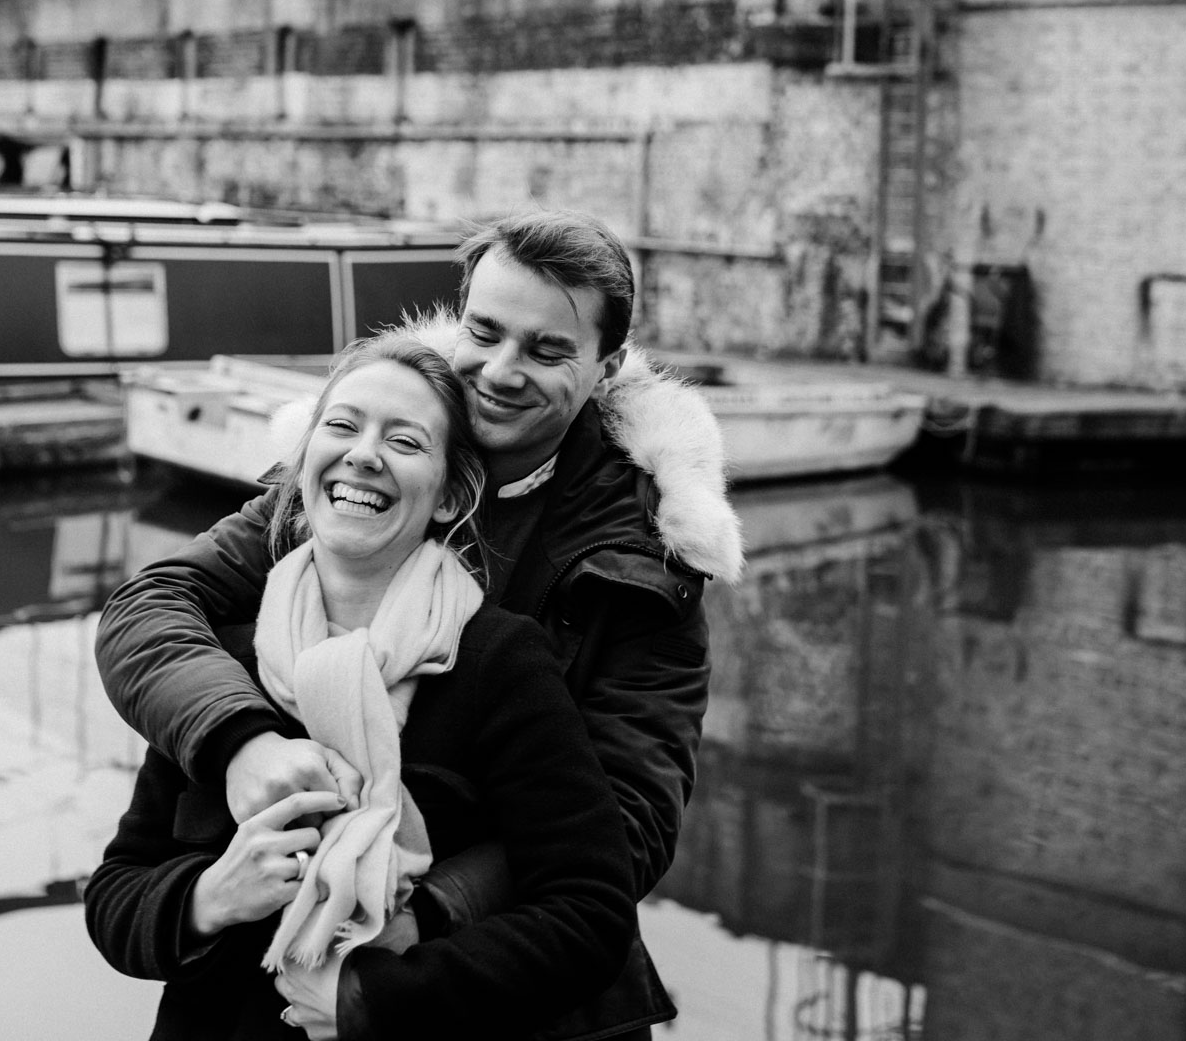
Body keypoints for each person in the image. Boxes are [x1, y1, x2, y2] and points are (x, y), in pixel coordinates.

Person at [96, 210, 745, 1031]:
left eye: (547, 351)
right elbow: (149, 608)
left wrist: (423, 914)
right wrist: (239, 744)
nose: (502, 371)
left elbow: (625, 831)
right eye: (485, 330)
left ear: (605, 367)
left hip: (494, 986)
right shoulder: (331, 497)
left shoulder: (643, 562)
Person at [85, 333, 642, 1040]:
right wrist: (207, 898)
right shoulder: (227, 655)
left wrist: (377, 999)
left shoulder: (500, 664)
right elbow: (115, 897)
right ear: (305, 459)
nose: (363, 454)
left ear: (447, 499)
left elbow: (589, 914)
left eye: (405, 442)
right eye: (342, 426)